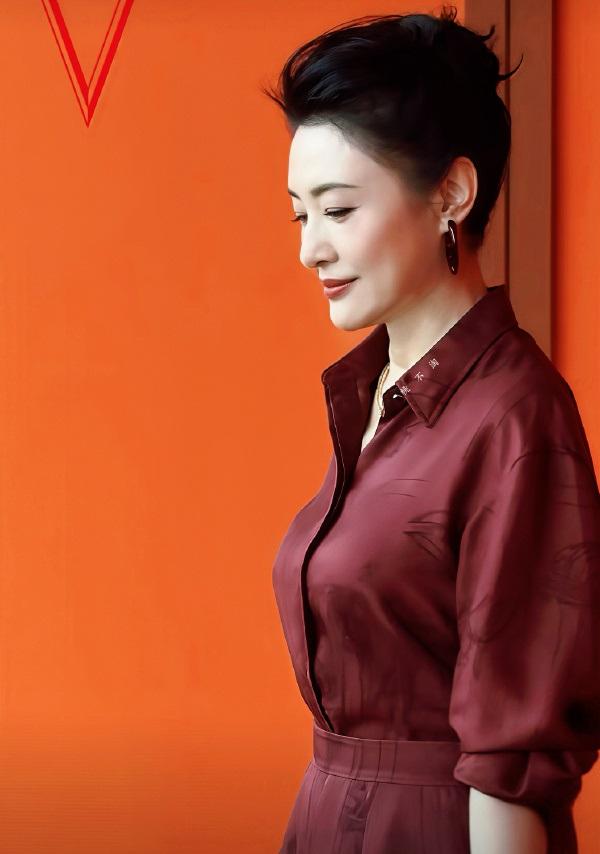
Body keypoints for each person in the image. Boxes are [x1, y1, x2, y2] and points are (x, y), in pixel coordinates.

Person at [263, 7, 600, 853]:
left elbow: (511, 762)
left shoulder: (515, 417)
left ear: (451, 193)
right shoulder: (375, 394)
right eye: (301, 215)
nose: (310, 250)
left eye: (339, 210)